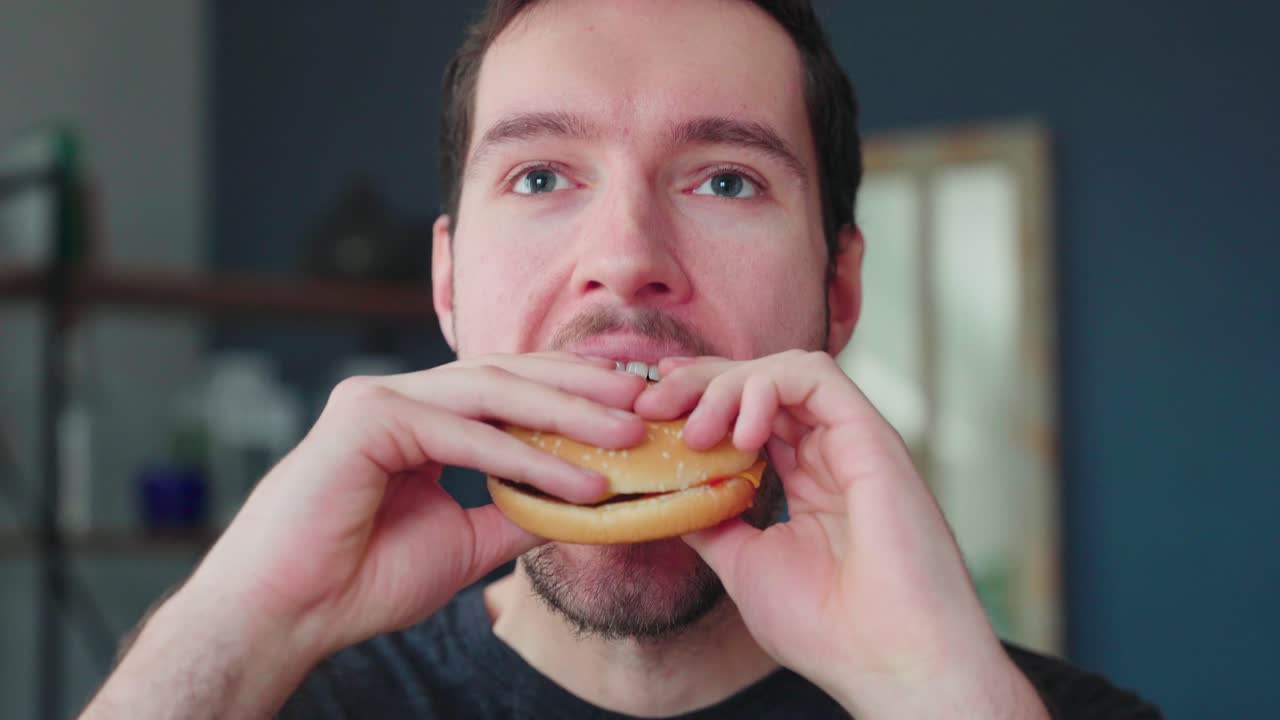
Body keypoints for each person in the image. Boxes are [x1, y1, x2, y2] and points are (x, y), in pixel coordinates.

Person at [81, 1, 1161, 718]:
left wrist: (934, 692)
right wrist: (237, 621)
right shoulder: (264, 697)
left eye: (726, 180)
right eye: (542, 177)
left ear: (837, 291)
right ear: (449, 286)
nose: (626, 261)